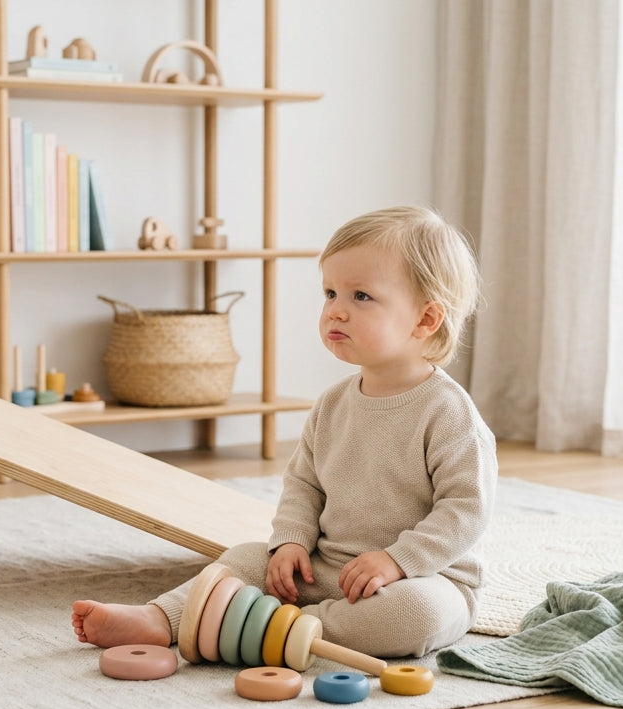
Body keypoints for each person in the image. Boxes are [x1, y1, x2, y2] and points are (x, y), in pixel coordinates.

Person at [72, 205, 496, 659]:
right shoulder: (333, 403)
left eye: (361, 297)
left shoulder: (448, 413)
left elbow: (466, 510)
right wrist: (292, 540)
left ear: (425, 320)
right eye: (330, 293)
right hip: (327, 566)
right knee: (245, 557)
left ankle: (274, 628)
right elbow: (304, 484)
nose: (336, 311)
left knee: (416, 616)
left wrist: (397, 561)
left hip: (421, 578)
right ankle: (163, 617)